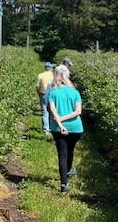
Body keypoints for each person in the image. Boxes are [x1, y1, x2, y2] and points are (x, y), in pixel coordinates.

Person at [48, 65, 83, 193]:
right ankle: (68, 171)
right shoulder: (75, 92)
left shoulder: (53, 92)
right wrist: (64, 119)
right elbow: (78, 111)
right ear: (68, 77)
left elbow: (52, 110)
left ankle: (64, 183)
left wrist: (60, 122)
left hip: (57, 128)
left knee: (62, 154)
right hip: (75, 128)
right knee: (70, 149)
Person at [35, 62, 54, 134]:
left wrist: (39, 94)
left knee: (45, 112)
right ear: (51, 69)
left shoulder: (40, 75)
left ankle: (46, 130)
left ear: (45, 68)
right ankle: (52, 128)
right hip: (52, 95)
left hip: (43, 94)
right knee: (52, 111)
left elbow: (37, 87)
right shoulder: (54, 76)